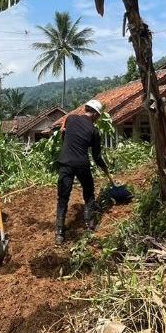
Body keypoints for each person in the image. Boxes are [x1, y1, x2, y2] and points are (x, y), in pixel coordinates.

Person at [55, 99, 110, 244]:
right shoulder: (94, 131)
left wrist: (63, 129)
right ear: (95, 115)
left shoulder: (71, 118)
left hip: (65, 162)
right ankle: (90, 224)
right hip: (81, 164)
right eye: (98, 116)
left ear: (85, 109)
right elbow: (97, 156)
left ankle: (59, 233)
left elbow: (65, 133)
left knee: (63, 197)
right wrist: (104, 167)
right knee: (89, 192)